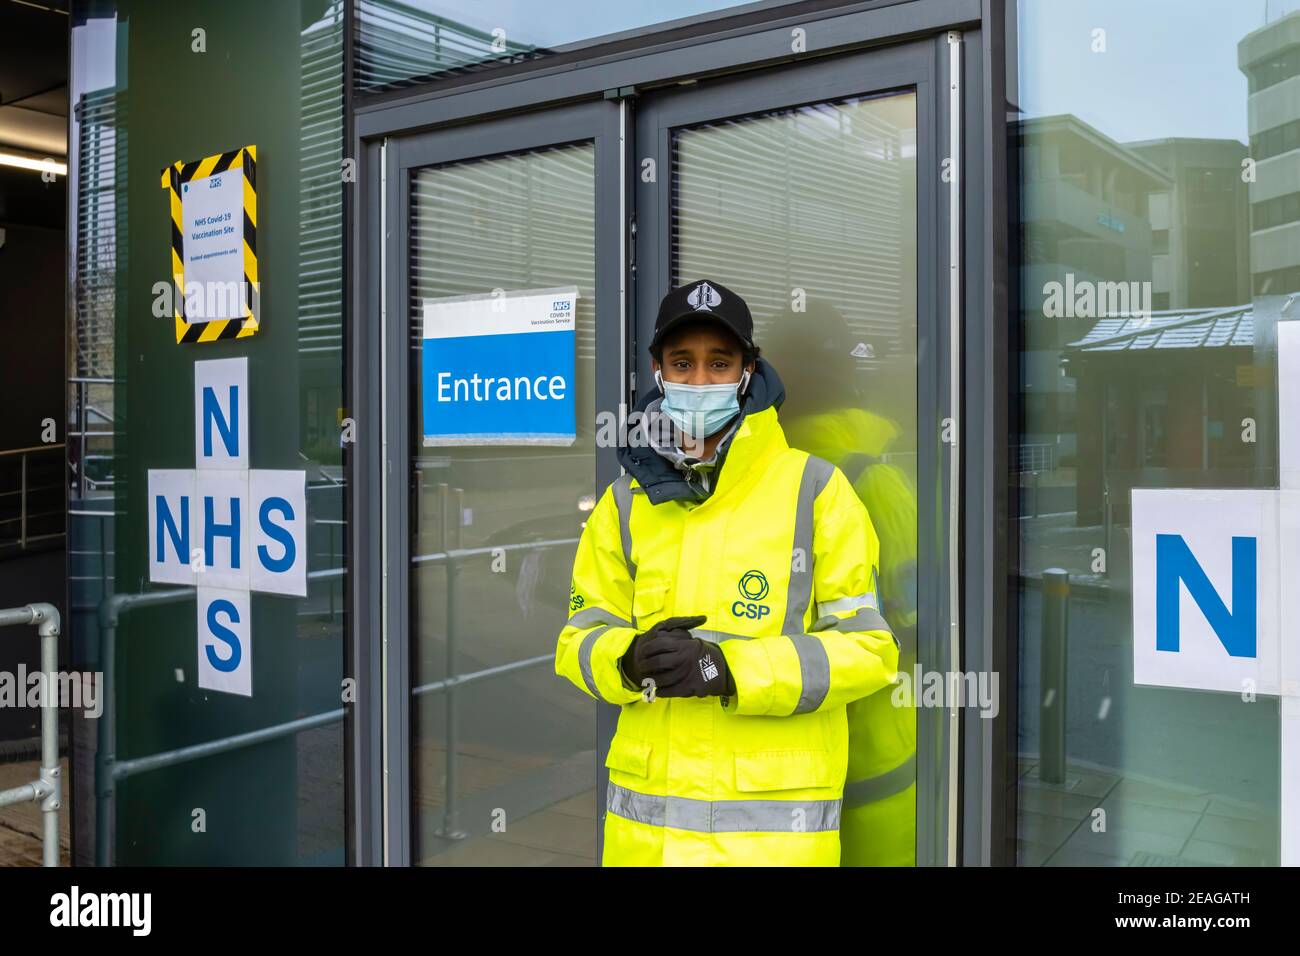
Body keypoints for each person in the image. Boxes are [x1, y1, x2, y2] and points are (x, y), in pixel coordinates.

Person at [554, 279, 899, 866]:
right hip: (647, 847)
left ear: (748, 372)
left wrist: (728, 669)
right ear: (657, 372)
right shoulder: (625, 503)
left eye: (720, 363)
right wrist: (627, 659)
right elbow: (576, 641)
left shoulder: (816, 491)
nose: (699, 380)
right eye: (682, 363)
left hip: (772, 848)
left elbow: (869, 650)